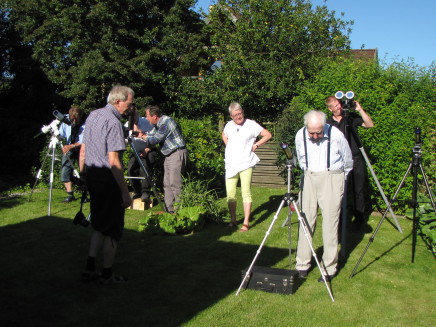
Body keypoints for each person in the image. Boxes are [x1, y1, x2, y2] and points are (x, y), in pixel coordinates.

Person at [79, 85, 134, 285]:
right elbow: (114, 162)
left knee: (99, 224)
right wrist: (125, 192)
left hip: (92, 176)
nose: (130, 107)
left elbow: (83, 150)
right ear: (118, 101)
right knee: (112, 229)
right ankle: (107, 274)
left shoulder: (93, 115)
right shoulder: (113, 122)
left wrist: (84, 175)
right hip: (107, 180)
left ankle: (89, 268)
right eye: (129, 103)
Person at [295, 110, 353, 281]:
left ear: (324, 126)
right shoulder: (300, 135)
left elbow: (348, 160)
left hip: (332, 177)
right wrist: (308, 174)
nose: (314, 136)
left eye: (318, 132)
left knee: (330, 222)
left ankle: (329, 267)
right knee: (305, 221)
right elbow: (300, 158)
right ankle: (302, 264)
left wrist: (339, 179)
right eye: (311, 132)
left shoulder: (336, 135)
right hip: (309, 176)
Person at [222, 102, 272, 232]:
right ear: (231, 116)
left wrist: (256, 145)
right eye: (235, 115)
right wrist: (228, 144)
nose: (238, 117)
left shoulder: (251, 124)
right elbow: (224, 134)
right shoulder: (228, 125)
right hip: (231, 163)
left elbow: (267, 134)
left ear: (242, 111)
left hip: (246, 162)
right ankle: (233, 220)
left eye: (239, 113)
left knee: (246, 192)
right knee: (230, 194)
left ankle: (245, 222)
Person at [326, 96, 374, 229]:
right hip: (339, 159)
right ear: (330, 109)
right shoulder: (328, 123)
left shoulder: (351, 117)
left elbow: (369, 125)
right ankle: (340, 220)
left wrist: (360, 110)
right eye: (335, 105)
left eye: (339, 103)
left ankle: (359, 219)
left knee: (358, 188)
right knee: (340, 189)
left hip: (355, 157)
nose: (339, 106)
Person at [140, 105, 187, 213]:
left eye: (147, 116)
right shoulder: (158, 124)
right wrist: (140, 135)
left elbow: (154, 139)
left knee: (175, 184)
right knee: (167, 184)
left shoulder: (166, 123)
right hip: (169, 155)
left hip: (176, 153)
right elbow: (151, 135)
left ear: (154, 116)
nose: (146, 119)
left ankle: (179, 212)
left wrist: (142, 137)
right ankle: (169, 211)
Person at [127, 107, 159, 203]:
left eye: (134, 115)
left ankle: (145, 192)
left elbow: (155, 137)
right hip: (136, 151)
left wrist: (147, 148)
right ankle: (137, 191)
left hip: (148, 149)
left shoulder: (146, 122)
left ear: (137, 114)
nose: (133, 117)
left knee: (144, 168)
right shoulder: (127, 125)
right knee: (130, 169)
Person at [58, 106, 85, 203]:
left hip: (82, 148)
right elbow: (61, 134)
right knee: (65, 170)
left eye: (75, 119)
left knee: (83, 172)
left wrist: (71, 146)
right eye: (72, 118)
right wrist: (57, 136)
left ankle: (85, 194)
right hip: (70, 147)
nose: (73, 121)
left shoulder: (85, 123)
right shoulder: (65, 120)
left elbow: (83, 141)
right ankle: (70, 194)